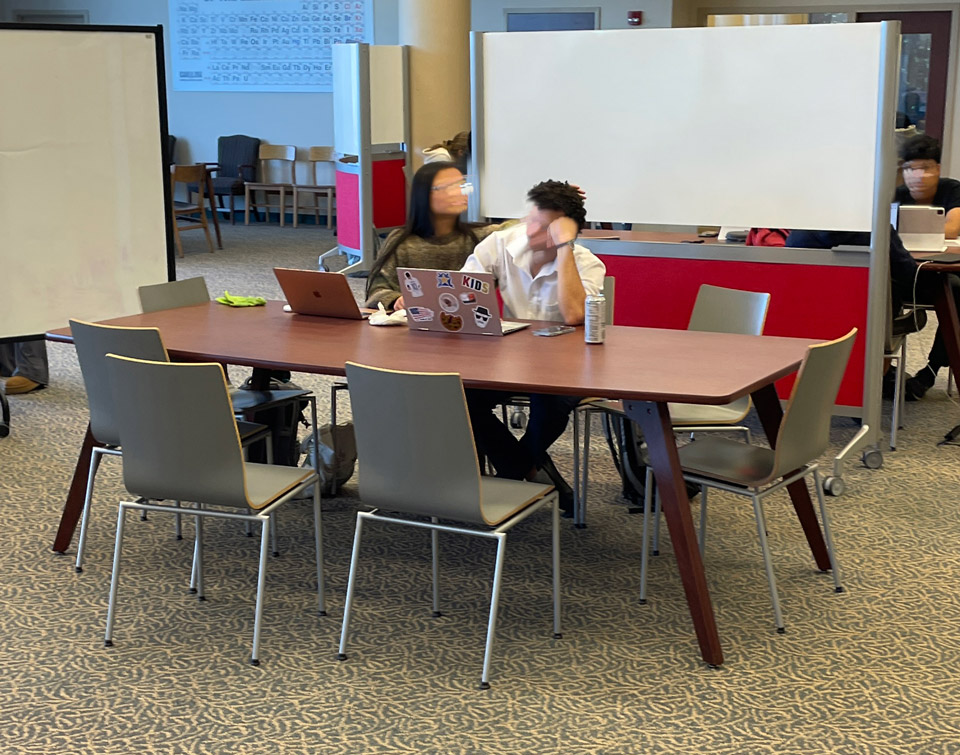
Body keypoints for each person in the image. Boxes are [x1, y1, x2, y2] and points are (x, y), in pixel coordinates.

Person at [460, 180, 606, 514]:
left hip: (567, 366)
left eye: (543, 227)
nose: (530, 231)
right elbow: (464, 292)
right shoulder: (501, 244)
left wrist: (564, 248)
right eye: (531, 220)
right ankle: (527, 469)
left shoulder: (586, 263)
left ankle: (513, 474)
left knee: (551, 403)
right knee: (457, 396)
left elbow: (573, 314)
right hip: (508, 359)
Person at [786, 228, 960, 400]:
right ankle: (929, 371)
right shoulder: (875, 229)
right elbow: (907, 272)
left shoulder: (799, 234)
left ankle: (889, 366)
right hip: (873, 325)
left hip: (816, 321)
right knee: (954, 287)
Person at [364, 161, 499, 311]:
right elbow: (376, 291)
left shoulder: (482, 236)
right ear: (424, 194)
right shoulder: (402, 241)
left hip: (473, 323)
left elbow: (516, 230)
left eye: (462, 185)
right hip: (413, 324)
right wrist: (396, 300)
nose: (460, 192)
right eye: (450, 187)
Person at [895, 134, 960, 239]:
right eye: (910, 169)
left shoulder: (952, 189)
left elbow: (952, 229)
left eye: (925, 168)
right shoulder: (896, 195)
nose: (917, 176)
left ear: (938, 169)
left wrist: (907, 233)